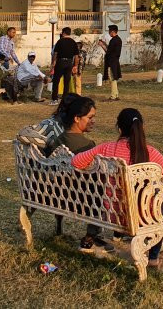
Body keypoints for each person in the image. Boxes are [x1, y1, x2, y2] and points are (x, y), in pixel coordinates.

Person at [72, 108, 163, 267]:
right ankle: (155, 256)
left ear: (119, 129)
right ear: (142, 128)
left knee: (159, 200)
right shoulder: (151, 153)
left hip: (114, 215)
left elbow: (76, 162)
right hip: (145, 218)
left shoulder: (105, 149)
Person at [49, 96, 115, 257]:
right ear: (77, 118)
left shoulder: (57, 140)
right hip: (79, 200)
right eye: (90, 117)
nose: (93, 121)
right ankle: (91, 236)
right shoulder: (86, 146)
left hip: (54, 195)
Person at [50, 26, 79, 104]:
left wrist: (53, 63)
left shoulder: (60, 41)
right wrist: (75, 66)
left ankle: (54, 99)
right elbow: (76, 56)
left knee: (56, 80)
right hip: (69, 63)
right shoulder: (73, 42)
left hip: (60, 62)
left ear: (63, 33)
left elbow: (55, 54)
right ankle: (64, 99)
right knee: (67, 81)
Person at [103, 24, 122, 101]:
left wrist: (102, 46)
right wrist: (104, 44)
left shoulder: (113, 40)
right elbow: (111, 49)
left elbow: (109, 52)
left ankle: (113, 96)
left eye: (109, 32)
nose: (109, 33)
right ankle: (116, 94)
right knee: (114, 78)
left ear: (113, 32)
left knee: (112, 79)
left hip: (111, 61)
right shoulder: (118, 39)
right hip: (115, 61)